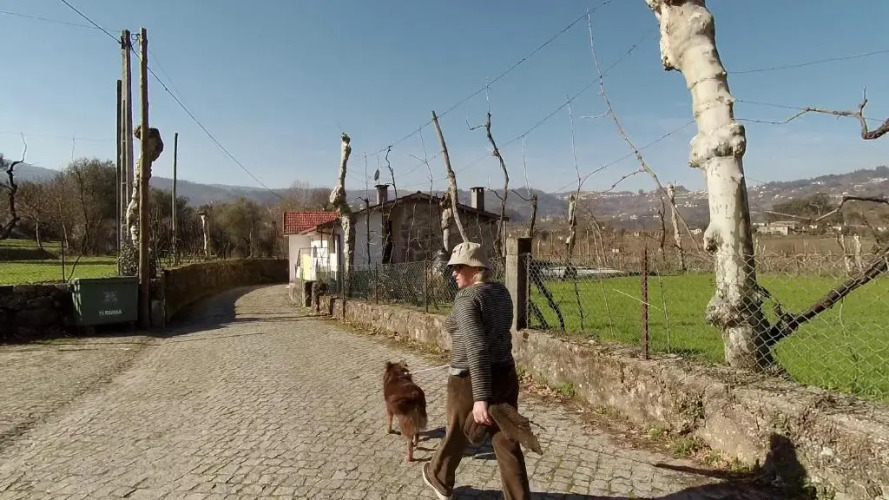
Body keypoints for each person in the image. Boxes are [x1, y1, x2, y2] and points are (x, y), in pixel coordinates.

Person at [422, 242, 531, 500]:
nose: (453, 273)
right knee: (507, 440)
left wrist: (481, 398)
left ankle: (439, 477)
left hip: (469, 379)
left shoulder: (467, 299)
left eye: (458, 267)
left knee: (458, 430)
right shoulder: (501, 292)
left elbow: (477, 347)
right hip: (504, 374)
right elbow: (492, 330)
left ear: (475, 268)